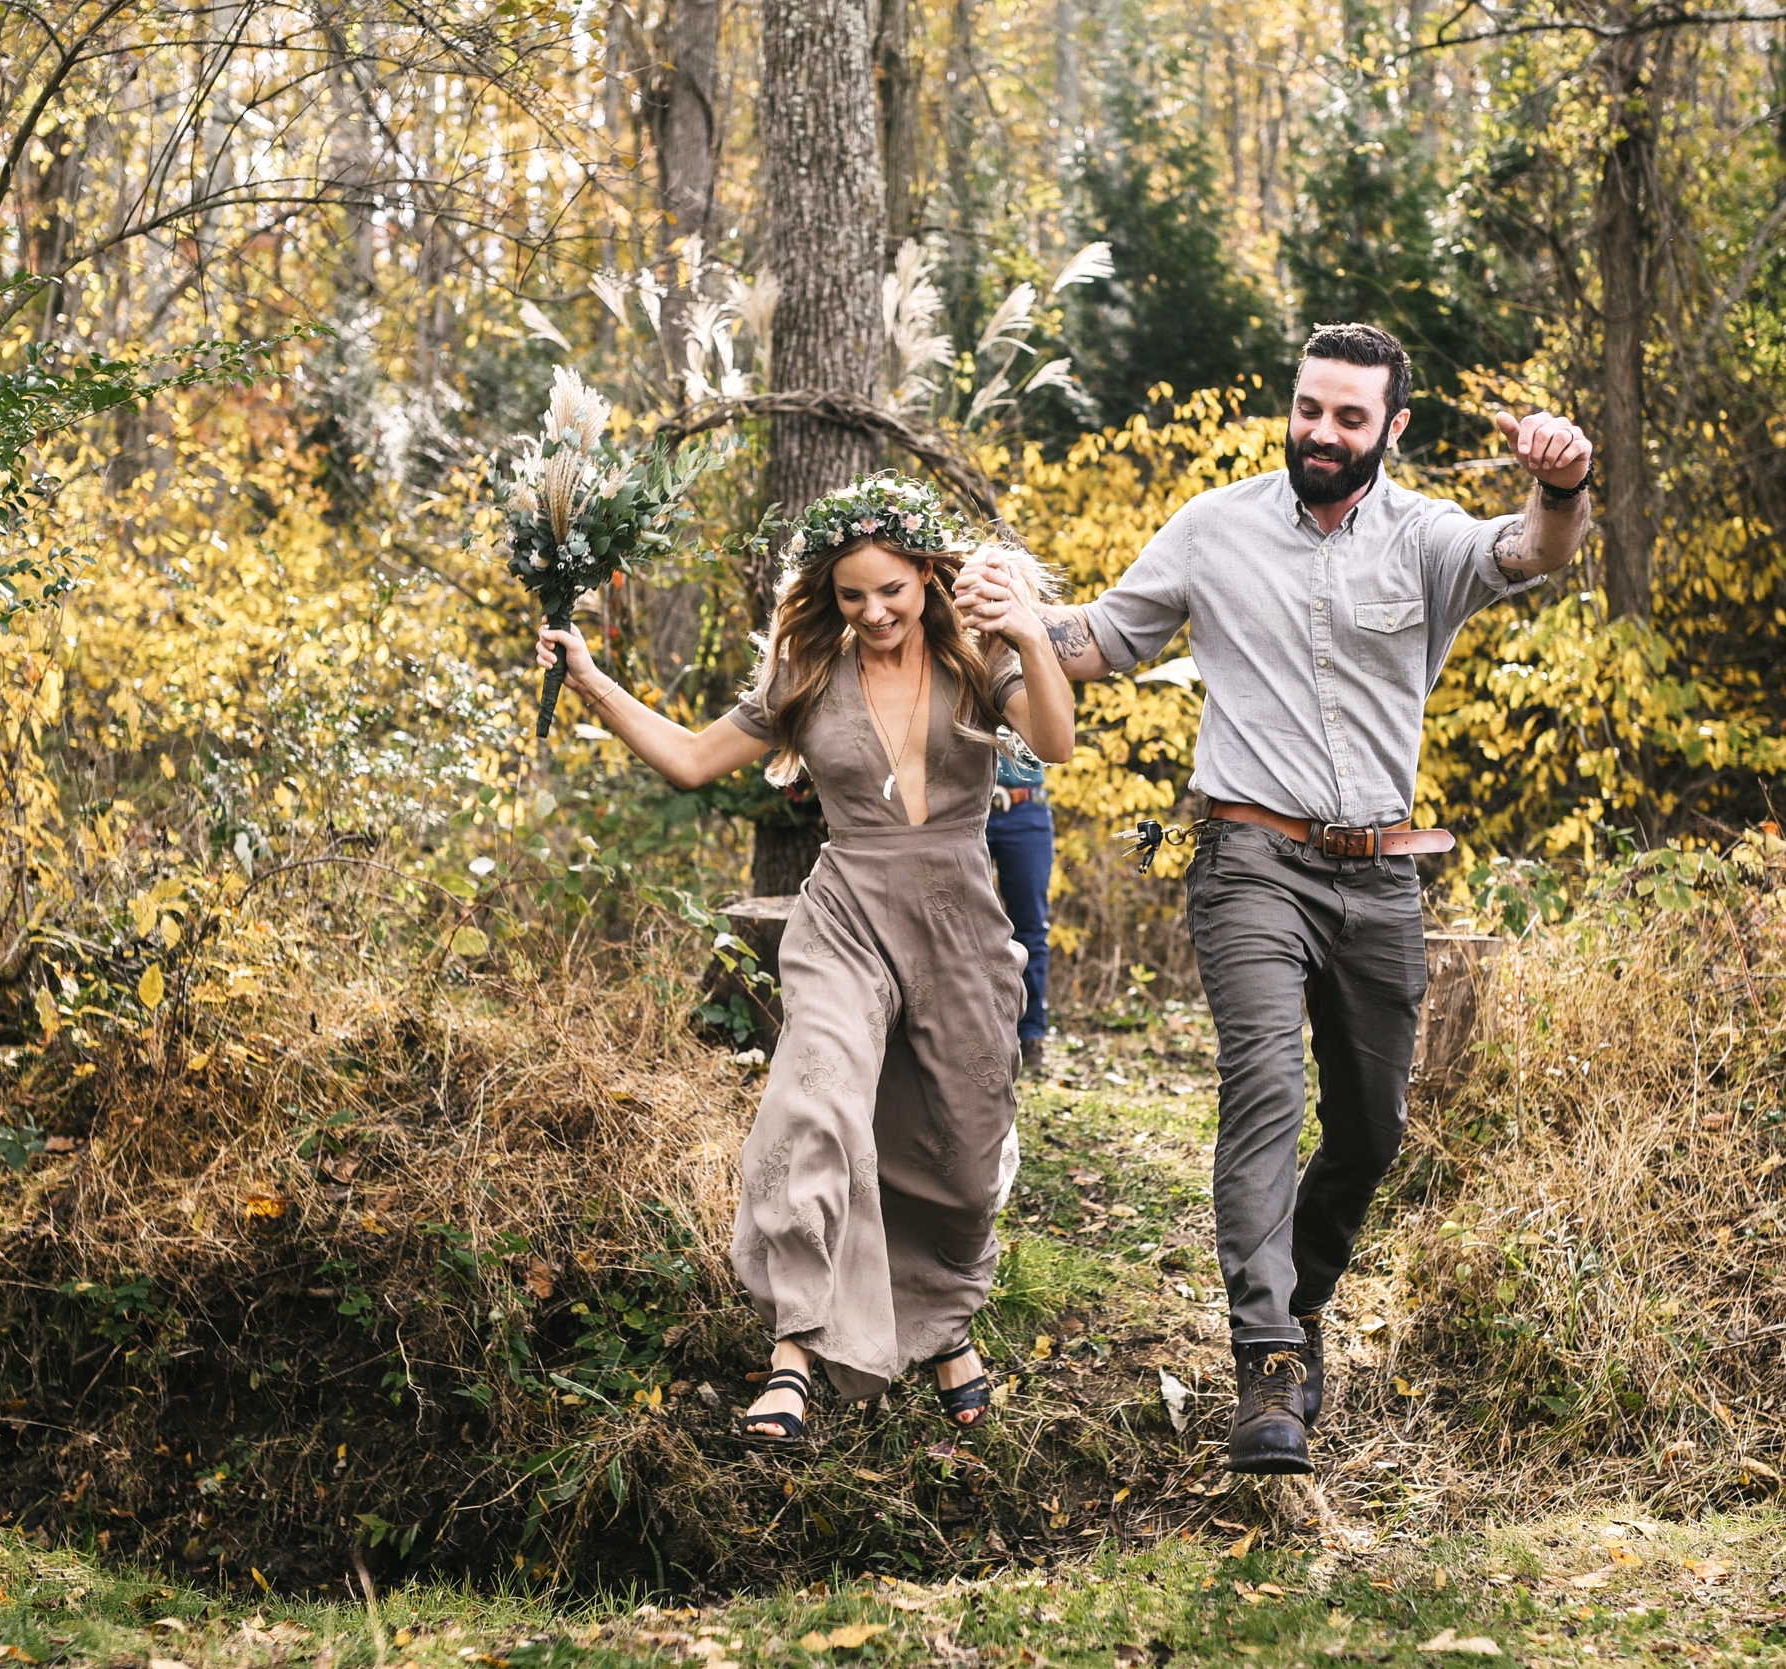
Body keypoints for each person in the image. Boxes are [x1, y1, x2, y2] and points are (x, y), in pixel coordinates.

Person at [962, 322, 1594, 1474]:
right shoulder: (1213, 527)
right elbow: (1099, 640)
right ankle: (1265, 1361)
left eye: (1351, 417)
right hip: (1248, 857)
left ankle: (1300, 1303)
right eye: (1310, 409)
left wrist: (1565, 482)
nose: (1323, 432)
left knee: (1371, 1125)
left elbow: (1535, 551)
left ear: (1390, 430)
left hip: (1381, 871)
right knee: (1262, 1086)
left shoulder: (1427, 541)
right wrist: (1004, 617)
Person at [536, 473, 1076, 1447]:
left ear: (926, 576)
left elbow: (1055, 739)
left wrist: (1032, 635)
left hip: (957, 922)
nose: (872, 613)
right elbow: (693, 759)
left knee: (955, 1154)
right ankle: (792, 1353)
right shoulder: (805, 677)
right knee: (816, 1103)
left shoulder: (977, 662)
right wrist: (590, 679)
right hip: (846, 914)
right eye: (851, 596)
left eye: (891, 591)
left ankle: (943, 1326)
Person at [986, 739, 1054, 1080]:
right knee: (963, 928)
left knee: (1030, 928)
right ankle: (979, 1035)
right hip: (966, 804)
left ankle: (1031, 1037)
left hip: (1026, 806)